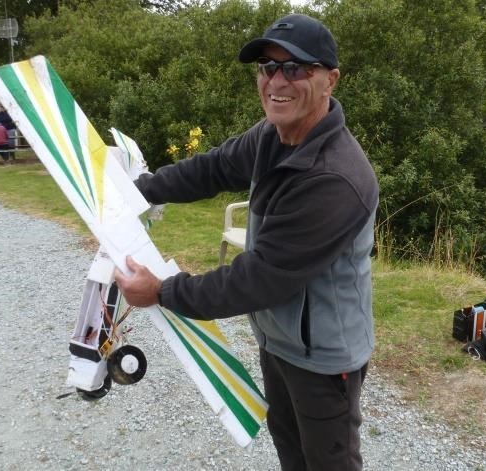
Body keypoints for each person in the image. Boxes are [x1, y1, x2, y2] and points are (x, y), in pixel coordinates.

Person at [114, 14, 378, 471]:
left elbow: (258, 279)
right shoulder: (274, 135)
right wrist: (139, 191)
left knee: (329, 463)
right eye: (267, 67)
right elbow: (213, 168)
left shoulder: (336, 178)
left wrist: (161, 291)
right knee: (291, 453)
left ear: (330, 80)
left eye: (294, 68)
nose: (276, 80)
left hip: (323, 358)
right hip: (279, 339)